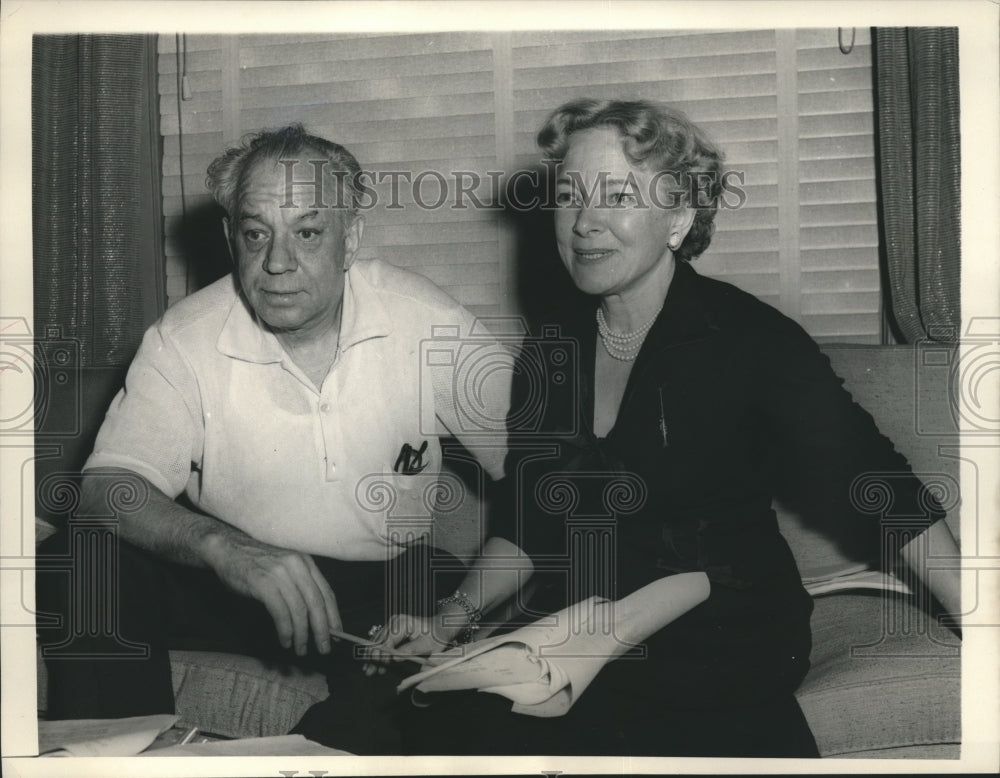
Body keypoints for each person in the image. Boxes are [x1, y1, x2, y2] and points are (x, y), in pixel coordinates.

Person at [369, 98, 962, 757]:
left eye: (617, 195)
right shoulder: (551, 348)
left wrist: (982, 619)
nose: (586, 222)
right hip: (587, 621)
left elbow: (879, 486)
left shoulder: (751, 342)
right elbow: (531, 522)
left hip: (724, 621)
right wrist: (449, 621)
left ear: (679, 216)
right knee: (434, 719)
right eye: (570, 195)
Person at [35, 124, 511, 754]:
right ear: (231, 237)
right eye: (257, 234)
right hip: (229, 581)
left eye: (307, 233)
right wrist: (223, 548)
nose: (278, 262)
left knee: (429, 679)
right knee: (87, 554)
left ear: (351, 240)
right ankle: (122, 757)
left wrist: (462, 613)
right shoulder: (184, 337)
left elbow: (548, 478)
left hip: (383, 581)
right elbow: (104, 489)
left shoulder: (431, 324)